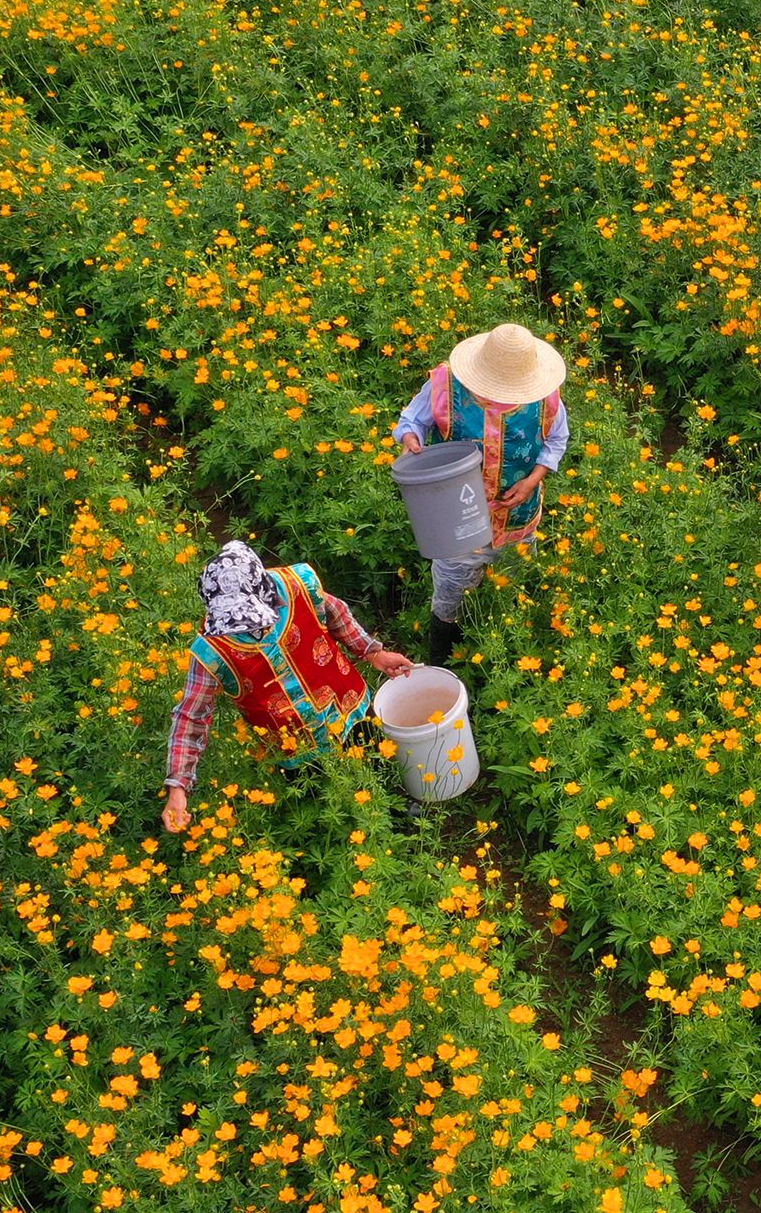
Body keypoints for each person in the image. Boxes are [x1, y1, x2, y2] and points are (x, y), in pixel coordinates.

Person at [162, 541, 412, 833]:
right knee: (324, 806)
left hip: (347, 707)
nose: (242, 627)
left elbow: (337, 615)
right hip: (294, 746)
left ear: (263, 589)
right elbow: (191, 716)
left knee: (379, 764)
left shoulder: (296, 587)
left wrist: (373, 652)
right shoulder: (211, 652)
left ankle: (399, 812)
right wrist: (178, 788)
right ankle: (355, 838)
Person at [390, 322, 570, 664]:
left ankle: (510, 655)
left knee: (513, 586)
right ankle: (446, 662)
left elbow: (556, 440)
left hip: (517, 516)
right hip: (454, 517)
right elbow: (412, 420)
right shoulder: (446, 386)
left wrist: (532, 479)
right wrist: (411, 438)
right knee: (451, 592)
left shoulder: (545, 398)